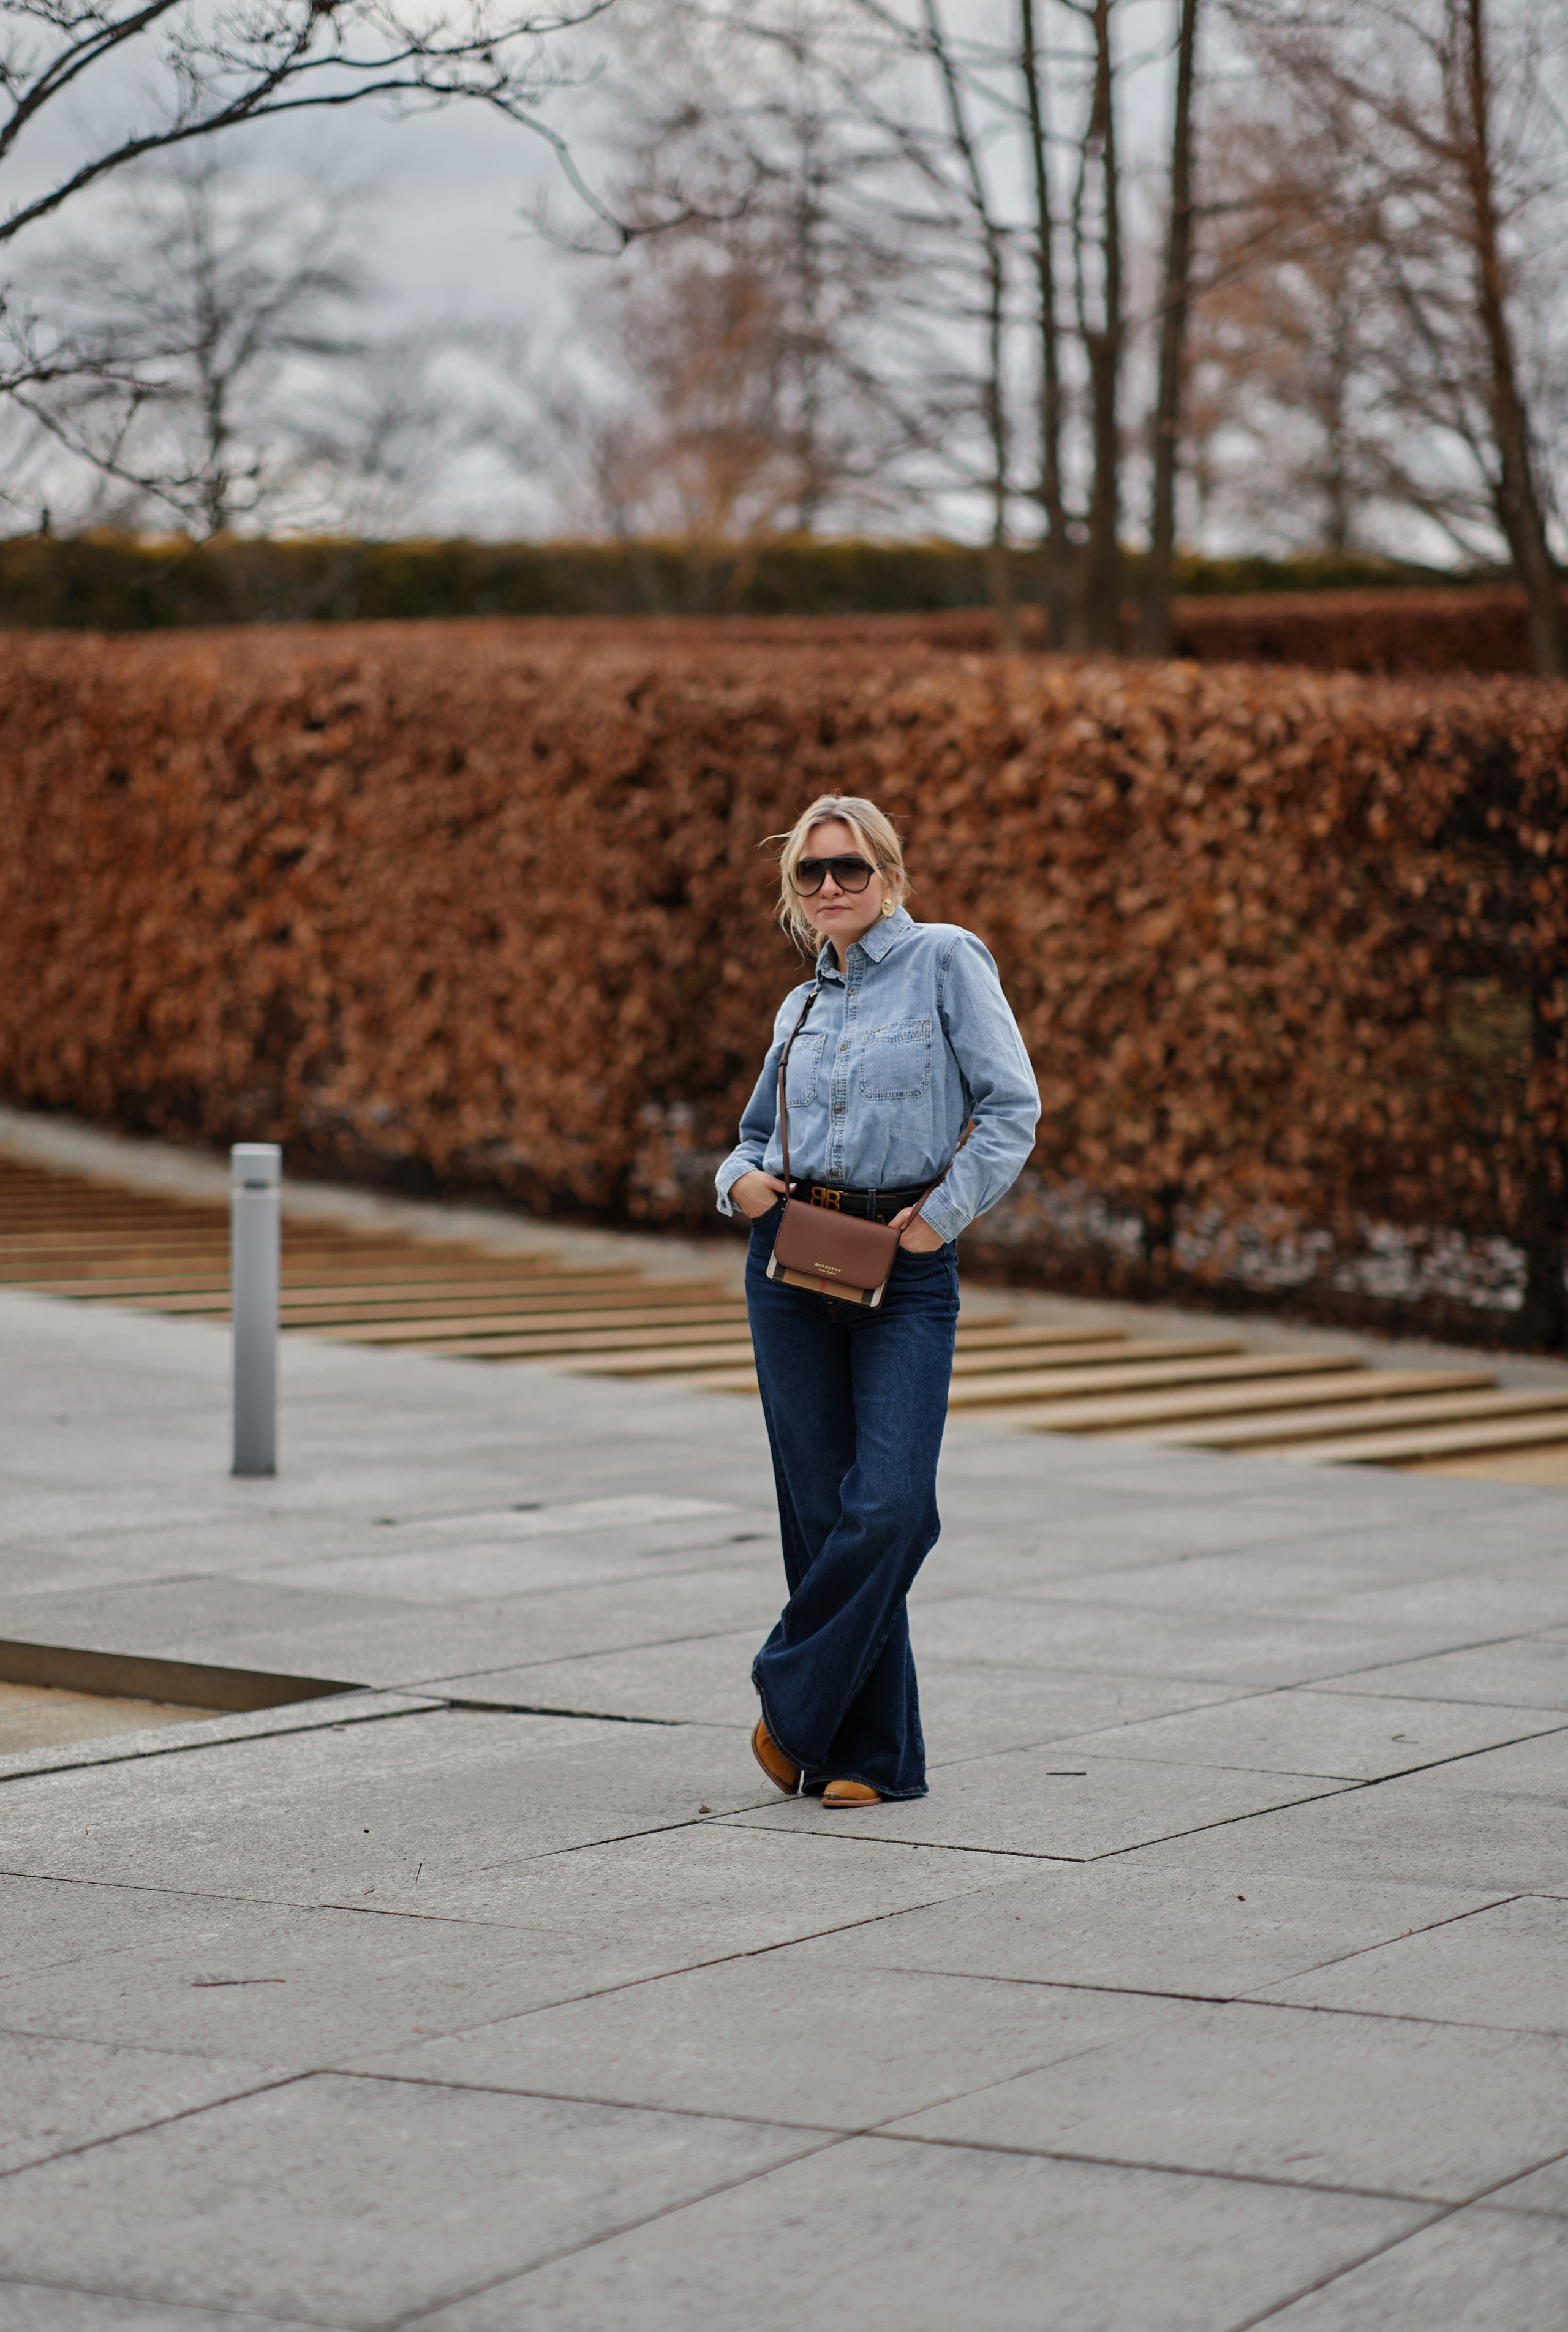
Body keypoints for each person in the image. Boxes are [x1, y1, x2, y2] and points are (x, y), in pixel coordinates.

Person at [716, 793, 1041, 1806]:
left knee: (892, 1508)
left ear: (889, 875)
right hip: (791, 1262)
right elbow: (751, 1135)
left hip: (903, 1268)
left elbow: (1010, 1108)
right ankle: (869, 1758)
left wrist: (943, 1217)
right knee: (821, 1517)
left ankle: (790, 1691)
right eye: (810, 874)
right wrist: (738, 1183)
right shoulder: (801, 1001)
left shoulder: (948, 958)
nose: (829, 889)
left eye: (848, 868)